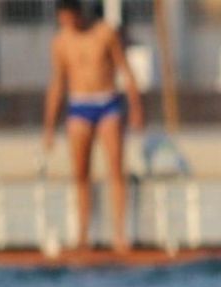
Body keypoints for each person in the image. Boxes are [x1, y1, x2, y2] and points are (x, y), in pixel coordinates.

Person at [42, 0, 144, 253]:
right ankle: (83, 235)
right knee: (80, 174)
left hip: (108, 102)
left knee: (115, 170)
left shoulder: (104, 33)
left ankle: (119, 235)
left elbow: (125, 69)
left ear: (79, 13)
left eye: (70, 17)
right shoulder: (61, 43)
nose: (67, 23)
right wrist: (49, 127)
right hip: (79, 105)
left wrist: (136, 108)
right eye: (62, 19)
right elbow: (57, 84)